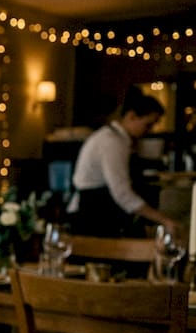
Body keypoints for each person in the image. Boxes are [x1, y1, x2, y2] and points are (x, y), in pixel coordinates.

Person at [68, 88, 175, 237]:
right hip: (93, 215)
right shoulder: (112, 142)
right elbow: (122, 194)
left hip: (101, 212)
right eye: (148, 125)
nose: (150, 130)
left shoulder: (120, 140)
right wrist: (164, 220)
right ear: (131, 116)